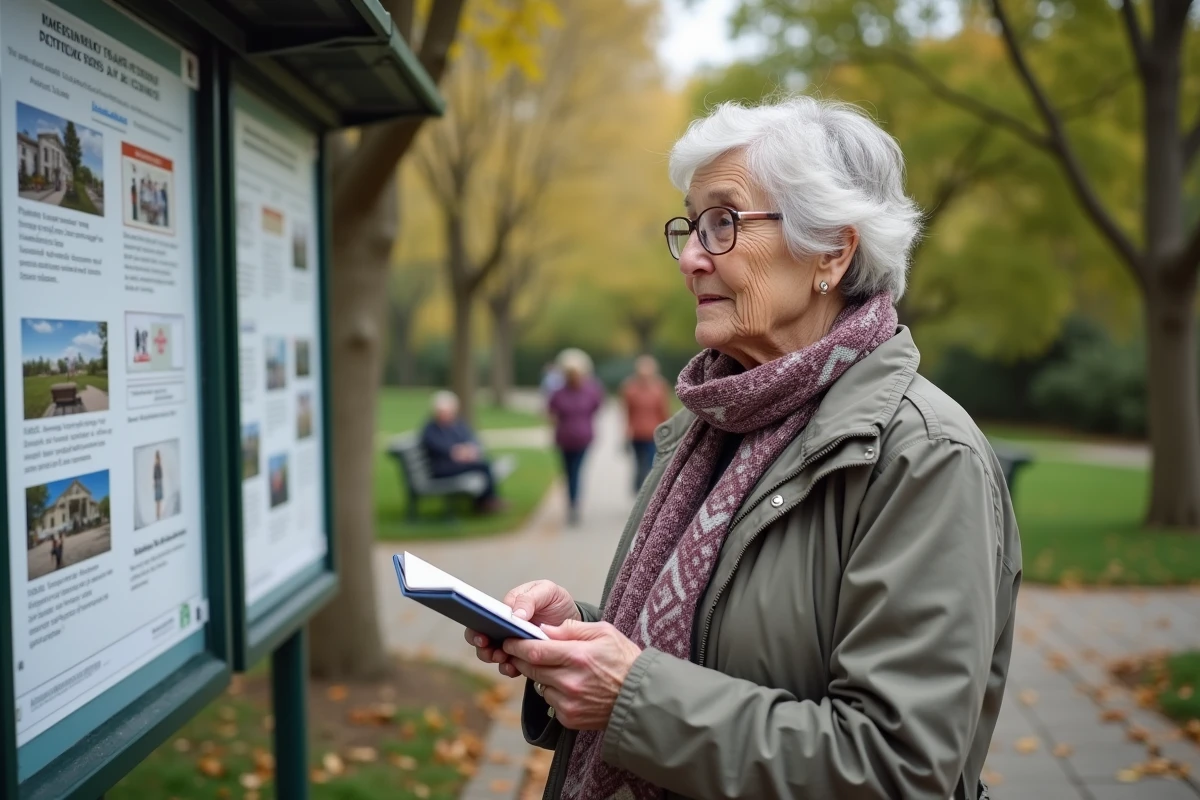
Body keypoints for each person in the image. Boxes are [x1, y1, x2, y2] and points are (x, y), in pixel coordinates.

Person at [464, 97, 1022, 800]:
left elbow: (899, 768)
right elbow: (706, 636)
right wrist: (575, 636)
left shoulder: (923, 456)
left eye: (723, 223)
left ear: (832, 249)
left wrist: (634, 697)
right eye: (690, 226)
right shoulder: (711, 425)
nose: (692, 258)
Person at [419, 391, 505, 513]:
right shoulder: (431, 428)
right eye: (443, 412)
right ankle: (485, 503)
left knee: (484, 463)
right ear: (436, 411)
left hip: (455, 464)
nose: (447, 415)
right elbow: (438, 447)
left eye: (449, 411)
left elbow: (470, 439)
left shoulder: (457, 424)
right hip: (442, 468)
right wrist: (456, 452)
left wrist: (470, 450)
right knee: (483, 466)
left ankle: (486, 501)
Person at [547, 349, 603, 526]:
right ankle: (572, 502)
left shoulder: (591, 390)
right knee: (568, 472)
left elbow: (597, 407)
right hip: (564, 439)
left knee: (576, 472)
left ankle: (574, 504)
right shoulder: (558, 392)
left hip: (583, 438)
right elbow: (551, 412)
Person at [620, 355, 671, 493]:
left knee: (650, 464)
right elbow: (627, 412)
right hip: (636, 433)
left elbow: (664, 411)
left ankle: (646, 491)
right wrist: (626, 432)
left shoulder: (660, 387)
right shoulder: (630, 388)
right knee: (639, 463)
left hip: (653, 433)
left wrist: (668, 431)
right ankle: (639, 488)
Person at [153, 450, 164, 520]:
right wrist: (155, 483)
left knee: (159, 500)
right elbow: (154, 476)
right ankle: (157, 515)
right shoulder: (156, 466)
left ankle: (158, 514)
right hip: (157, 483)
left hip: (159, 482)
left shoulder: (159, 465)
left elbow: (161, 475)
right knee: (157, 500)